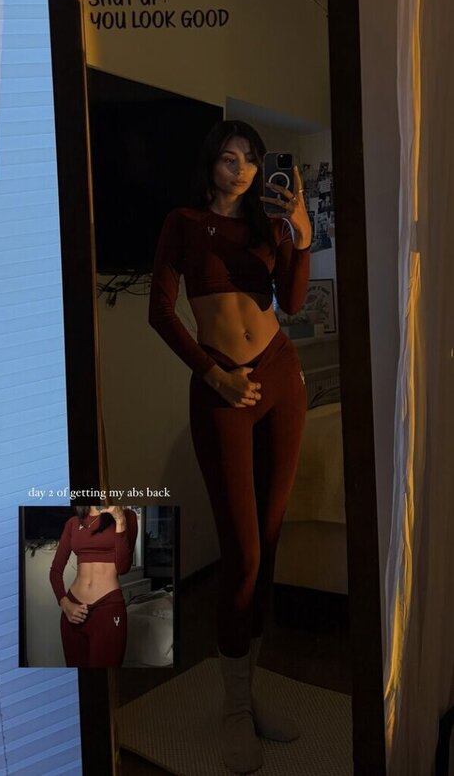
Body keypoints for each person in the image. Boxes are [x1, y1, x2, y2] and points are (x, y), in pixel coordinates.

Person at [148, 120, 312, 773]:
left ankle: (252, 694)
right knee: (241, 553)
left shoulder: (268, 226)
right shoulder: (184, 223)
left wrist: (300, 229)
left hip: (281, 377)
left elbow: (292, 301)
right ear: (210, 165)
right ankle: (234, 709)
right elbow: (161, 311)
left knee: (267, 544)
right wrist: (214, 374)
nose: (239, 169)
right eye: (228, 158)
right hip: (223, 387)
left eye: (250, 160)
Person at [49, 505, 138, 668]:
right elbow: (55, 571)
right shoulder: (73, 523)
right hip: (73, 610)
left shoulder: (127, 516)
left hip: (108, 608)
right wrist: (65, 604)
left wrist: (120, 520)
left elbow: (123, 567)